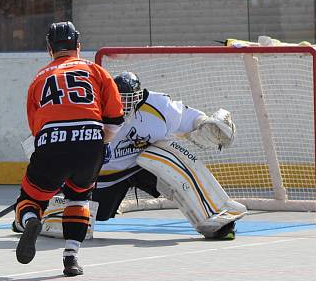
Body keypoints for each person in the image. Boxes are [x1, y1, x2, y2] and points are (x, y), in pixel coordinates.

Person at [13, 21, 124, 276]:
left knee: (30, 199)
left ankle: (31, 221)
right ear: (78, 45)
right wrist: (100, 143)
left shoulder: (38, 79)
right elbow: (115, 118)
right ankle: (71, 258)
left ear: (49, 49)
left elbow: (37, 130)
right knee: (78, 198)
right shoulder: (96, 71)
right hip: (90, 146)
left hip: (52, 145)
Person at [92, 71, 243, 240]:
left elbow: (188, 116)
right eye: (120, 98)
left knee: (172, 158)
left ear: (139, 96)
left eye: (128, 98)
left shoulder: (159, 105)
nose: (124, 104)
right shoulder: (96, 108)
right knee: (96, 215)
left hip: (144, 166)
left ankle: (220, 221)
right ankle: (61, 211)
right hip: (108, 174)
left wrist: (203, 122)